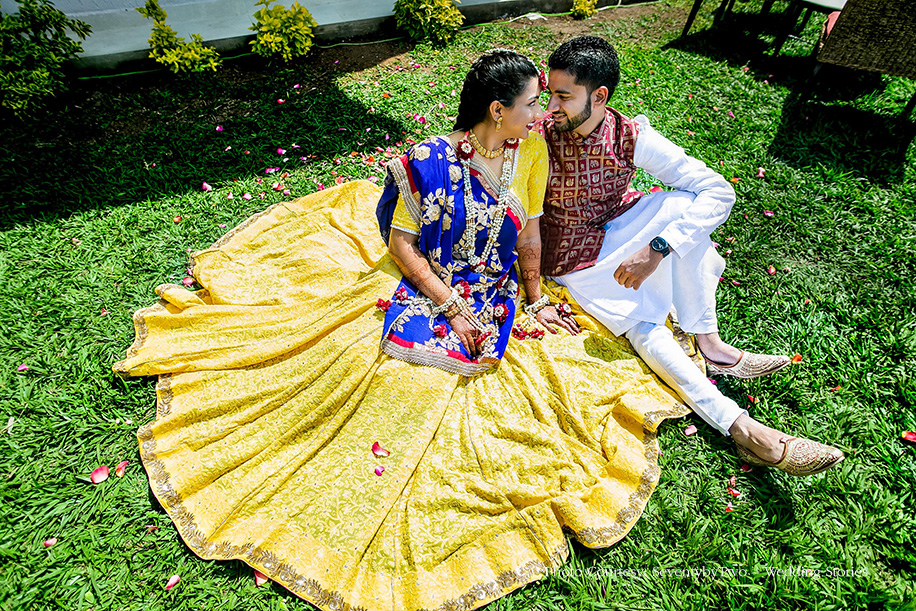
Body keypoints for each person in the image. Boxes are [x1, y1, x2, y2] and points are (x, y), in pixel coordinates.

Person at [114, 50, 692, 611]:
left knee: (467, 387)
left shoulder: (531, 154)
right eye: (530, 104)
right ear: (496, 110)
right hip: (430, 281)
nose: (540, 114)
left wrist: (536, 299)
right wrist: (449, 303)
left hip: (496, 288)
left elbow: (530, 236)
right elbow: (402, 245)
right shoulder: (427, 162)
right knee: (383, 371)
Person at [539, 36, 844, 477]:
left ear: (599, 96)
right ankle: (742, 428)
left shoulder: (630, 135)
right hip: (574, 259)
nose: (552, 105)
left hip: (621, 226)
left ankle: (710, 342)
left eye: (563, 95)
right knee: (644, 327)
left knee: (685, 208)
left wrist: (657, 248)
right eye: (550, 93)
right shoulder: (541, 133)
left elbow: (718, 189)